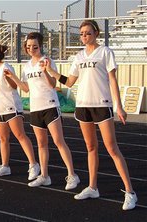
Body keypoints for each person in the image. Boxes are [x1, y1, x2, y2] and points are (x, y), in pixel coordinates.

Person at [44, 20, 137, 210]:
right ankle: (93, 187)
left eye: (88, 33)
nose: (84, 36)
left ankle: (130, 192)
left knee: (112, 148)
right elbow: (69, 82)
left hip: (102, 105)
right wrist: (51, 71)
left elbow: (112, 80)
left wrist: (119, 106)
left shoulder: (105, 52)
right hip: (83, 106)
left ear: (96, 33)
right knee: (90, 147)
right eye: (82, 34)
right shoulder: (78, 57)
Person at [5, 32, 80, 190]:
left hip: (50, 105)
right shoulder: (26, 66)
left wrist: (45, 70)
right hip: (35, 108)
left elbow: (53, 84)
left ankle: (72, 175)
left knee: (58, 141)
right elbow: (25, 89)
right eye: (29, 46)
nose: (31, 49)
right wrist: (13, 77)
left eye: (35, 46)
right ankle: (44, 176)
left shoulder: (47, 61)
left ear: (41, 46)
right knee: (41, 143)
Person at [0, 43, 40, 177]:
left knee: (20, 135)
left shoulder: (5, 67)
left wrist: (10, 76)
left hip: (11, 107)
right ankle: (5, 166)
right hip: (0, 109)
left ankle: (33, 164)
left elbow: (13, 87)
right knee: (3, 138)